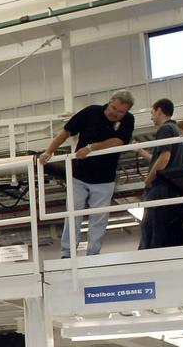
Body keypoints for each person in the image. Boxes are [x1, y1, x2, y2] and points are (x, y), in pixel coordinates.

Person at [41, 91, 137, 257]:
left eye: (120, 112)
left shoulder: (128, 120)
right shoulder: (92, 111)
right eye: (113, 108)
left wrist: (91, 148)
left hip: (104, 178)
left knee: (99, 218)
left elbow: (119, 141)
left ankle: (93, 254)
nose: (115, 114)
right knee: (72, 214)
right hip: (79, 174)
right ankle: (67, 253)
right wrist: (49, 151)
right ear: (110, 101)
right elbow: (66, 131)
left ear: (126, 112)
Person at [140, 99, 183, 250]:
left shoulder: (165, 129)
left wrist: (149, 179)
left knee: (153, 230)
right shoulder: (176, 129)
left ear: (159, 110)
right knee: (164, 229)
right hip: (172, 187)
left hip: (161, 187)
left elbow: (164, 157)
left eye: (152, 112)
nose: (151, 117)